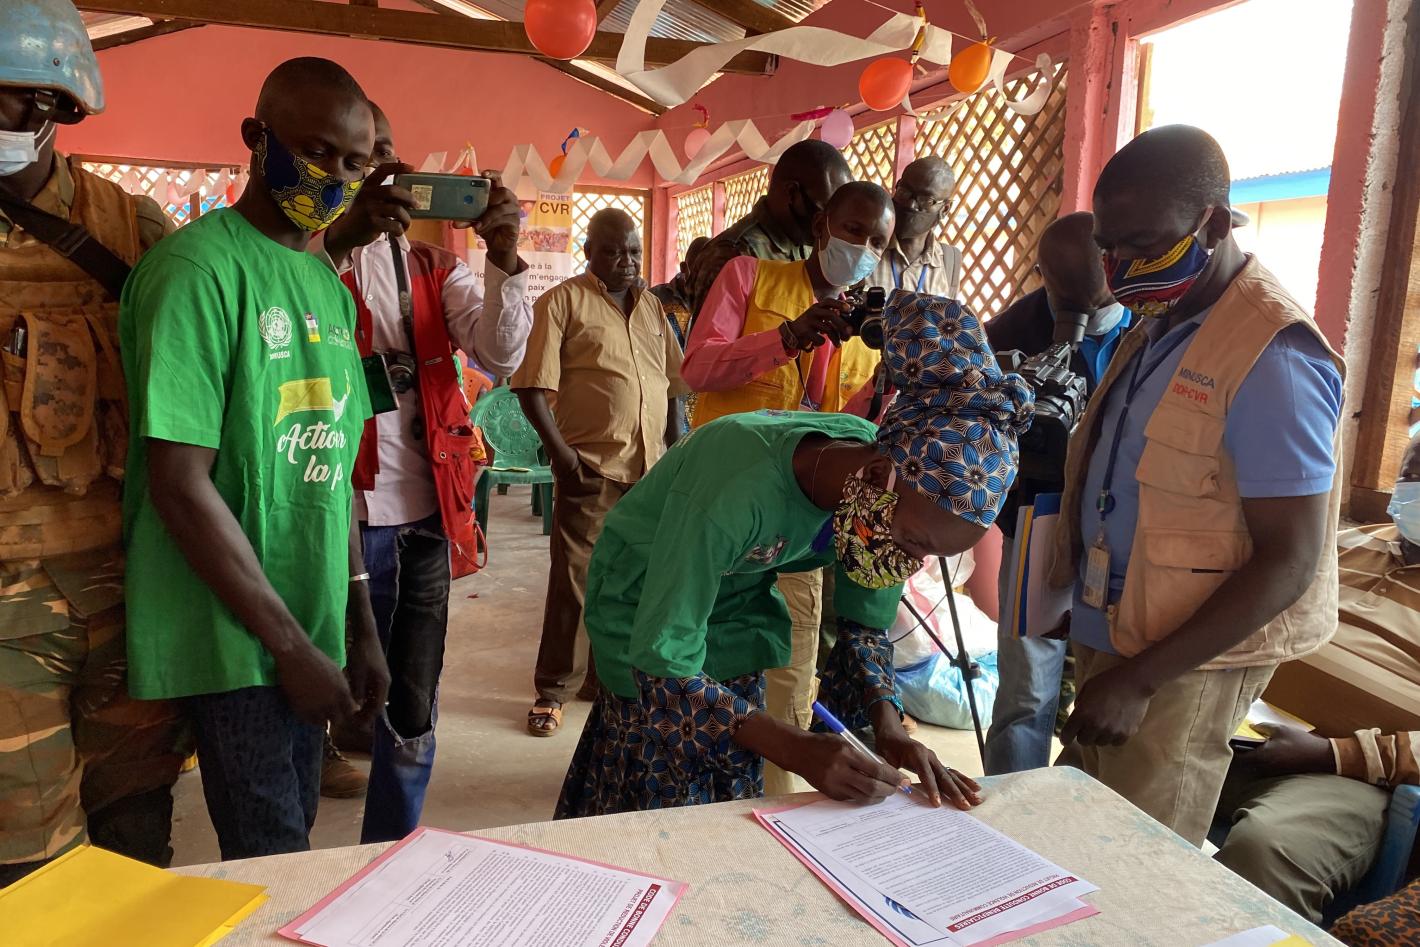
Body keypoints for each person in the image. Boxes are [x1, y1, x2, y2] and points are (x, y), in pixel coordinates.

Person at [556, 291, 1033, 817]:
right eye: (916, 543)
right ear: (878, 476)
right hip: (644, 602)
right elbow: (662, 659)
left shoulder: (875, 489)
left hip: (735, 605)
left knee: (731, 779)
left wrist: (890, 728)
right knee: (658, 789)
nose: (910, 562)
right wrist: (796, 748)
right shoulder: (735, 489)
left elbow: (864, 627)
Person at [119, 57, 390, 860]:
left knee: (291, 835)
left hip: (307, 622)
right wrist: (291, 648)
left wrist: (359, 623)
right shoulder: (197, 271)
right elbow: (179, 484)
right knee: (273, 855)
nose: (333, 176)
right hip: (234, 635)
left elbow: (331, 473)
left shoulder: (326, 285)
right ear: (256, 138)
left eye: (354, 161)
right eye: (315, 150)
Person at [1049, 125, 1345, 846]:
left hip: (1182, 663)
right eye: (1109, 247)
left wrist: (1141, 680)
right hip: (1118, 632)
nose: (1120, 270)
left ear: (1213, 225)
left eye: (1143, 246)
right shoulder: (1161, 320)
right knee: (1073, 839)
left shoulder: (1272, 356)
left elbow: (1291, 558)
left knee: (1135, 861)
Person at [0, 0, 189, 886]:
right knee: (29, 869)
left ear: (59, 103)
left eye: (10, 96)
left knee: (136, 834)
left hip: (132, 596)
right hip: (7, 620)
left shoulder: (130, 229)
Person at [313, 104, 532, 842]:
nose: (376, 169)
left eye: (386, 154)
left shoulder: (438, 268)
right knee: (317, 682)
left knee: (411, 697)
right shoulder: (302, 260)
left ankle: (392, 844)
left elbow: (501, 353)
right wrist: (342, 241)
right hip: (328, 515)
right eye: (358, 158)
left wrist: (504, 256)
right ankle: (296, 841)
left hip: (424, 515)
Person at [681, 181, 894, 795]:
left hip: (799, 529)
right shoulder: (750, 277)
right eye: (853, 230)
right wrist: (788, 337)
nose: (863, 247)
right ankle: (694, 786)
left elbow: (861, 431)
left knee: (791, 670)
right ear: (823, 225)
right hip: (717, 507)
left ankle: (777, 804)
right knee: (697, 654)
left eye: (878, 241)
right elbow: (697, 368)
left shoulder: (870, 329)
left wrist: (887, 386)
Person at [1210, 433, 1420, 923]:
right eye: (1413, 471)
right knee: (1121, 773)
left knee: (1266, 849)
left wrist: (1331, 753)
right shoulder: (1345, 543)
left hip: (1350, 777)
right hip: (1241, 729)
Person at [513, 209, 686, 737]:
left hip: (649, 469)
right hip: (590, 466)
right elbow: (531, 387)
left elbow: (672, 385)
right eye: (612, 251)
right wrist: (564, 459)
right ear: (589, 252)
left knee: (633, 580)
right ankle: (554, 690)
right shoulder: (562, 302)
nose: (626, 261)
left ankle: (606, 678)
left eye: (633, 251)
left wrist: (677, 451)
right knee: (575, 581)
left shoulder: (652, 307)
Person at [980, 212, 1133, 776]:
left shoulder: (1153, 326)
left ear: (1116, 270)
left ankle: (1080, 804)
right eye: (1062, 296)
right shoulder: (1007, 334)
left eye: (1089, 300)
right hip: (1038, 522)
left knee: (1108, 686)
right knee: (1028, 690)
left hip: (1126, 529)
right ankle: (1011, 807)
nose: (1075, 315)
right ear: (1042, 275)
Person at [687, 139, 852, 316]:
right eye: (822, 211)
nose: (828, 223)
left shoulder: (808, 245)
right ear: (792, 193)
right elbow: (708, 333)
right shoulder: (733, 252)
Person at [869, 156, 963, 300]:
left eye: (926, 200)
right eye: (904, 192)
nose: (911, 204)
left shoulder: (950, 261)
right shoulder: (867, 248)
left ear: (945, 209)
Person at [651, 235, 709, 438]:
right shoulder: (655, 300)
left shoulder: (722, 306)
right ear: (685, 268)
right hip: (663, 410)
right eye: (701, 271)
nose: (708, 280)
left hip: (704, 415)